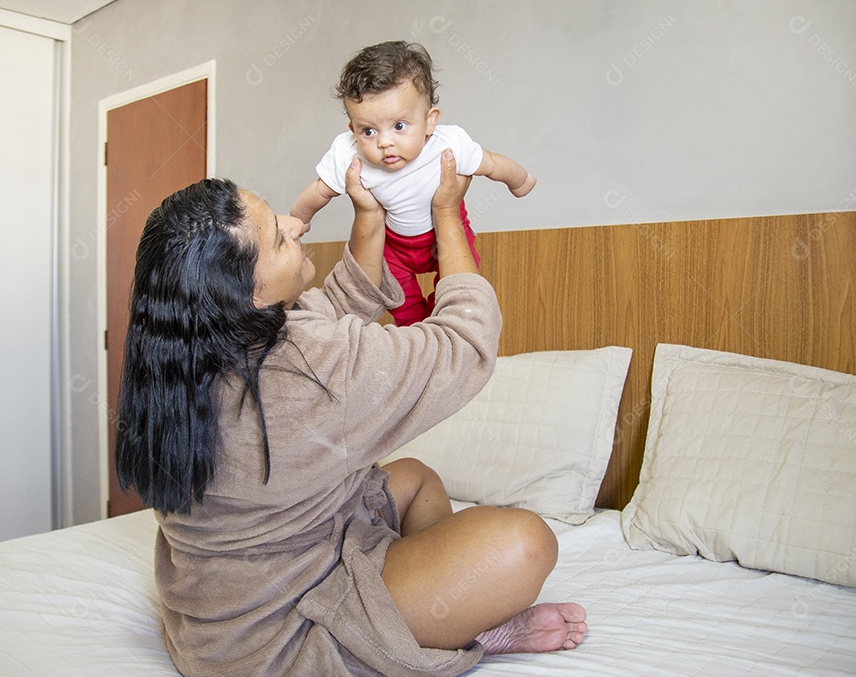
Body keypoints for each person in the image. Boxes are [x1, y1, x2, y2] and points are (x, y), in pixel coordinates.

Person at [116, 150, 586, 677]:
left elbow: (336, 304)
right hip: (281, 639)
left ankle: (439, 610)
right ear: (249, 296)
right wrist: (448, 216)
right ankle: (447, 625)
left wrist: (369, 215)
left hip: (215, 631)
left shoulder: (181, 355)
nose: (295, 224)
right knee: (525, 544)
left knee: (416, 478)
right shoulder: (309, 372)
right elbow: (465, 342)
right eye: (278, 237)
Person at [290, 40, 536, 326]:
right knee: (401, 303)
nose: (385, 142)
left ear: (430, 121)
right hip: (393, 245)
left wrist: (520, 180)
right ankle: (416, 332)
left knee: (457, 287)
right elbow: (320, 191)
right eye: (368, 131)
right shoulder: (348, 153)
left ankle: (440, 320)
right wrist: (298, 219)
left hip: (442, 236)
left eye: (399, 126)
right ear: (353, 130)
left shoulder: (448, 144)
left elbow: (492, 164)